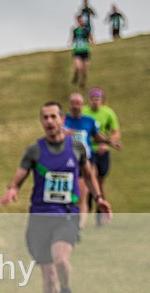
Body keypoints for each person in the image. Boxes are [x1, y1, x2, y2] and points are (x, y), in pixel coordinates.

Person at [1, 101, 111, 293]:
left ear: (62, 120)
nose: (49, 121)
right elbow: (17, 178)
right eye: (45, 117)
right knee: (47, 275)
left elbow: (89, 176)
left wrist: (100, 198)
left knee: (61, 259)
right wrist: (12, 190)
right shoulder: (34, 151)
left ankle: (67, 292)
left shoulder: (78, 148)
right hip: (39, 219)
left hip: (66, 215)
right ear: (42, 122)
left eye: (53, 117)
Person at [63, 92, 120, 227]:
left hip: (85, 161)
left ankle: (79, 227)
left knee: (83, 195)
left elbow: (97, 136)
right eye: (73, 103)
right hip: (66, 164)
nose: (75, 106)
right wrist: (64, 133)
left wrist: (108, 142)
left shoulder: (89, 121)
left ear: (83, 105)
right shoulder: (63, 121)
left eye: (78, 103)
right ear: (69, 105)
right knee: (68, 197)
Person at [83, 88, 122, 222]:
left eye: (97, 99)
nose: (95, 102)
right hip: (88, 151)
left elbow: (116, 132)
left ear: (102, 100)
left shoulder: (108, 113)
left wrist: (105, 143)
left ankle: (101, 213)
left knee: (100, 183)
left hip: (103, 153)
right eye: (92, 99)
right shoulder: (84, 113)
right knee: (90, 178)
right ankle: (85, 211)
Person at [70, 15, 94, 89]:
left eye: (82, 20)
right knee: (78, 67)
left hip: (85, 50)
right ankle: (76, 75)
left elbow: (90, 37)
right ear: (77, 21)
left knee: (85, 69)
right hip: (77, 51)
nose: (81, 22)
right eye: (80, 20)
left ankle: (82, 82)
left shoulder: (86, 30)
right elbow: (73, 38)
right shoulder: (75, 30)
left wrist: (91, 41)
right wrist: (70, 43)